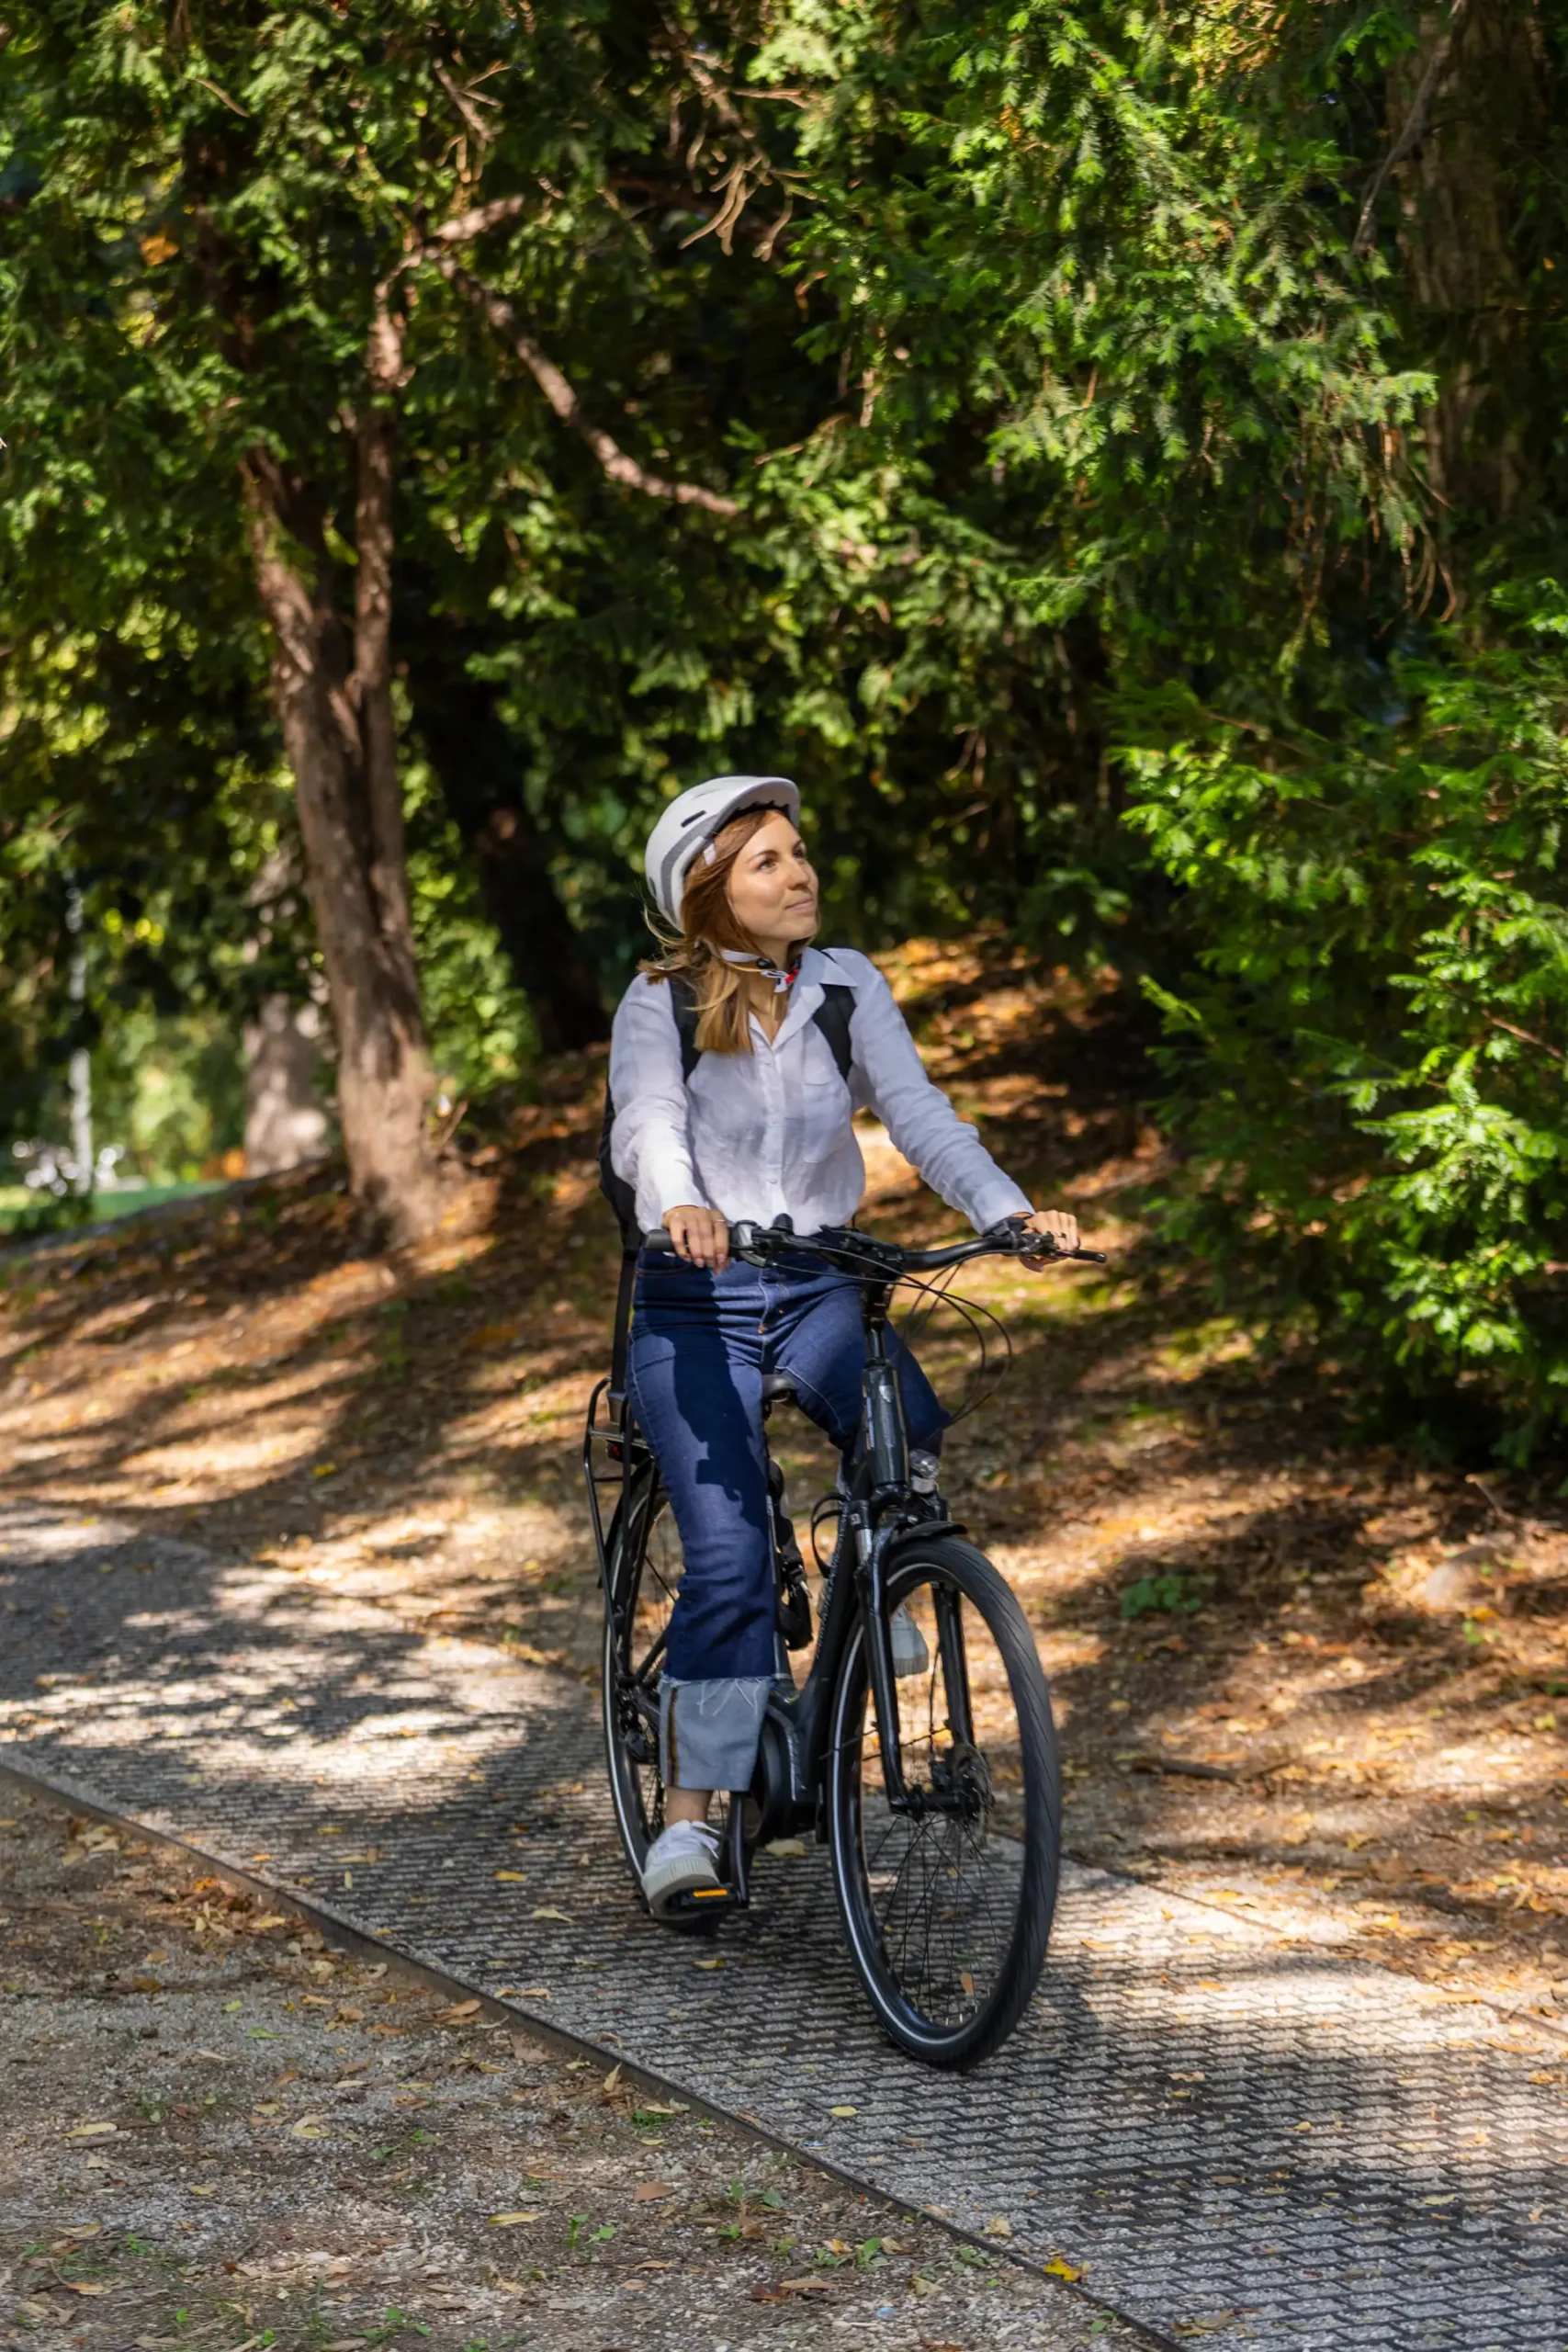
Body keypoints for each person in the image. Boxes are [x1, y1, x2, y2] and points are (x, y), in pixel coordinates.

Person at [608, 775, 1079, 1918]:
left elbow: (920, 1115)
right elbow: (648, 1121)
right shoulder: (662, 998)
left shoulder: (844, 984)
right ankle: (690, 1821)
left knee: (907, 1425)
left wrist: (1006, 1213)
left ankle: (881, 1585)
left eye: (801, 851)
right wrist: (680, 1202)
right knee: (728, 1559)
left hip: (818, 1278)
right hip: (696, 1293)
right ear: (711, 892)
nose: (800, 873)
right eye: (767, 860)